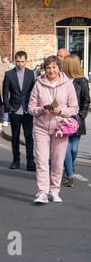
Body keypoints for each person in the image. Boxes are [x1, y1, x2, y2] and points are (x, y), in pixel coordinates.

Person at [28, 55, 78, 205]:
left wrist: (60, 111)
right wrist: (41, 109)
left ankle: (54, 191)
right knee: (42, 161)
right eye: (48, 67)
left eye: (54, 67)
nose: (51, 70)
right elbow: (30, 108)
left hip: (60, 128)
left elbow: (74, 108)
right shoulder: (38, 84)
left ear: (59, 68)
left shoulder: (67, 84)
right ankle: (42, 192)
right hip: (41, 127)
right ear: (45, 69)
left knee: (57, 162)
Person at [3, 51, 36, 171]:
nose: (20, 64)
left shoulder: (31, 73)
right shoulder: (9, 74)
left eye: (22, 61)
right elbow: (5, 93)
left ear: (26, 61)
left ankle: (30, 162)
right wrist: (8, 109)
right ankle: (16, 160)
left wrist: (33, 107)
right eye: (18, 61)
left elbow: (34, 92)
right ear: (15, 61)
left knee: (29, 137)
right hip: (14, 111)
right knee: (15, 137)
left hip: (28, 111)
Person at [62, 55, 90, 187]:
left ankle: (69, 167)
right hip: (63, 119)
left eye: (64, 63)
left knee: (74, 149)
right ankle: (68, 174)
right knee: (66, 148)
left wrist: (82, 115)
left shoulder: (82, 81)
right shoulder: (62, 80)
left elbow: (86, 99)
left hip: (77, 119)